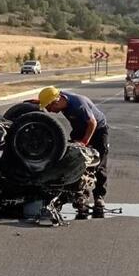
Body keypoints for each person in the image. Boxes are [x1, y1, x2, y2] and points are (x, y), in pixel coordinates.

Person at [38, 86, 109, 215]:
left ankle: (99, 197)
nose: (49, 111)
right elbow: (51, 95)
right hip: (80, 128)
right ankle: (81, 196)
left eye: (49, 107)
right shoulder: (60, 99)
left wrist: (84, 142)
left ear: (57, 102)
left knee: (99, 165)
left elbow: (92, 123)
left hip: (98, 129)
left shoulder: (78, 105)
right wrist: (39, 102)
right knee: (76, 161)